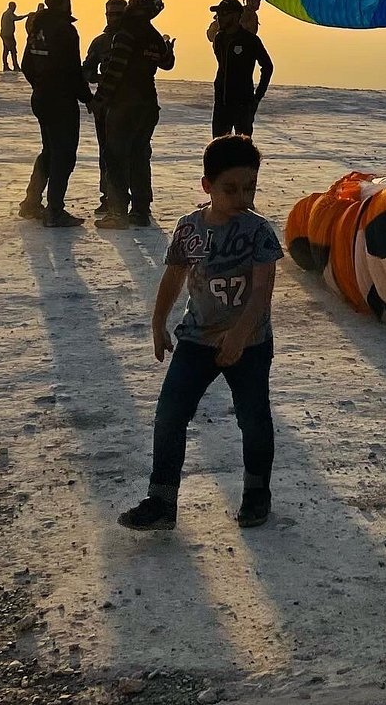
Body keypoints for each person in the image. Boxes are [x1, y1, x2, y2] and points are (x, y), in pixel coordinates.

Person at [117, 134, 282, 531]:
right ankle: (161, 500)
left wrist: (241, 335)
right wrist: (158, 323)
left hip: (250, 342)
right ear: (207, 185)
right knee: (170, 414)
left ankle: (257, 494)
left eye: (250, 188)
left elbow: (262, 291)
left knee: (253, 418)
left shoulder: (259, 231)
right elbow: (174, 276)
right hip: (197, 338)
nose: (242, 197)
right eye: (231, 188)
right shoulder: (189, 228)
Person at [93, 0, 176, 229]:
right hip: (147, 105)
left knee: (115, 158)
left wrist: (99, 100)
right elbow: (167, 63)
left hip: (124, 105)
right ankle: (141, 210)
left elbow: (114, 71)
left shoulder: (125, 34)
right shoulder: (153, 35)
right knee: (140, 157)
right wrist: (168, 49)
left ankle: (118, 212)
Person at [17, 0, 91, 227]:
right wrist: (88, 98)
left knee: (49, 151)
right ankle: (54, 210)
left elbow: (27, 63)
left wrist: (40, 85)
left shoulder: (37, 27)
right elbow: (72, 70)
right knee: (63, 154)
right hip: (60, 100)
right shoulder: (65, 30)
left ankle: (31, 202)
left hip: (41, 97)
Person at [82, 0, 129, 216]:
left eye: (119, 14)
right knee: (107, 154)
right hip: (107, 105)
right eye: (110, 14)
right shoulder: (100, 42)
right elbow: (87, 70)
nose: (114, 18)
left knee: (132, 154)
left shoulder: (132, 39)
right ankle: (108, 197)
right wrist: (101, 79)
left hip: (128, 105)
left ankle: (131, 200)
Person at [210, 0, 273, 137]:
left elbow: (267, 66)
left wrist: (257, 97)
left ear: (235, 16)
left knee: (244, 151)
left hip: (243, 104)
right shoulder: (219, 38)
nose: (219, 18)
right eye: (218, 14)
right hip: (222, 104)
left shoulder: (250, 40)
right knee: (218, 150)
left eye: (223, 14)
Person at [0, 1, 32, 72]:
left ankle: (7, 66)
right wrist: (26, 15)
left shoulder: (7, 13)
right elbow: (16, 18)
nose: (15, 9)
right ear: (12, 6)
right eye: (14, 7)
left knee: (6, 50)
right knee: (12, 50)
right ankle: (14, 66)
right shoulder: (8, 14)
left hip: (6, 34)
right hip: (8, 35)